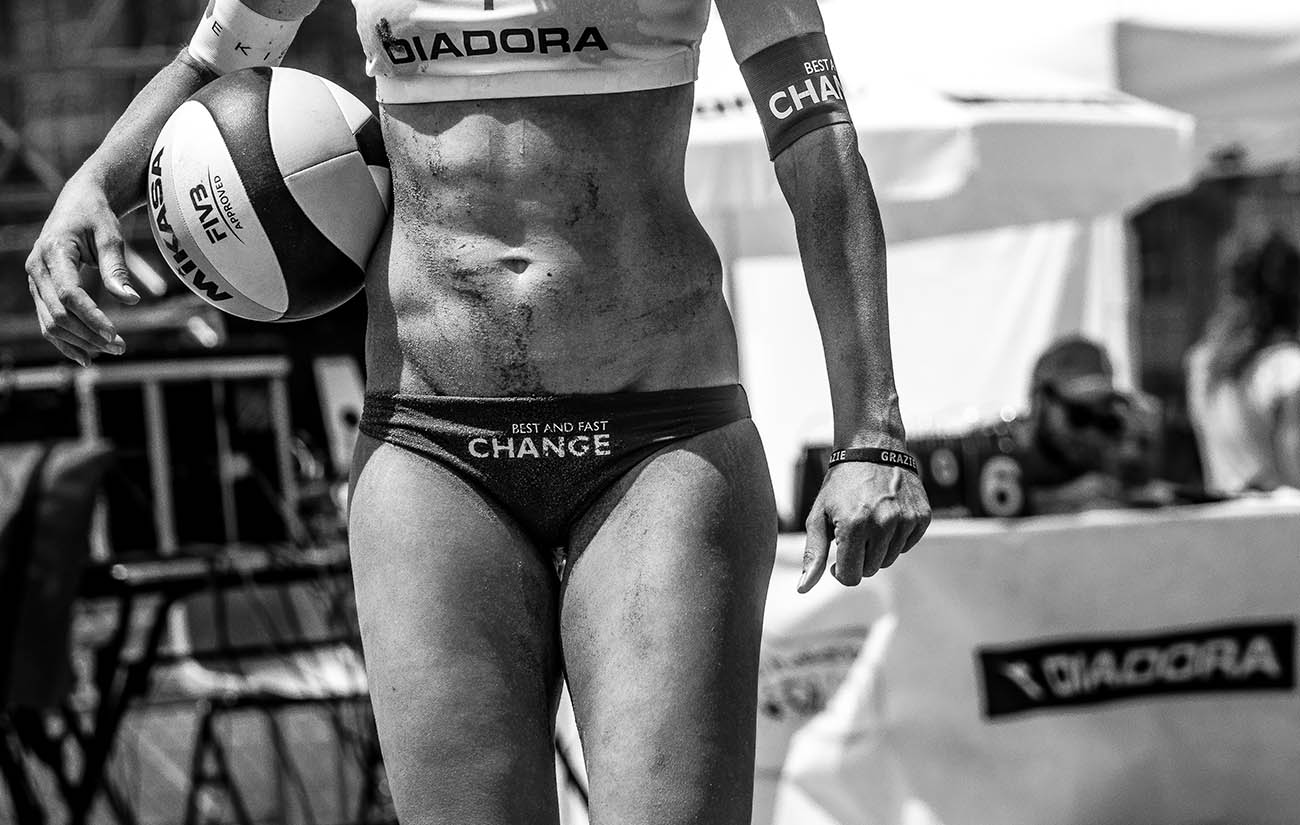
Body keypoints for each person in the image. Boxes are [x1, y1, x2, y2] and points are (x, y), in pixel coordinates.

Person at [23, 0, 931, 821]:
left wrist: (872, 434)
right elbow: (215, 60)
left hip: (658, 441)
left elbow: (817, 144)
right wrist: (94, 182)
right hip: (432, 447)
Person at [1187, 231, 1300, 493]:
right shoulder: (1287, 369)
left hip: (1228, 512)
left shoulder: (1203, 363)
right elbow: (1295, 471)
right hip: (1281, 517)